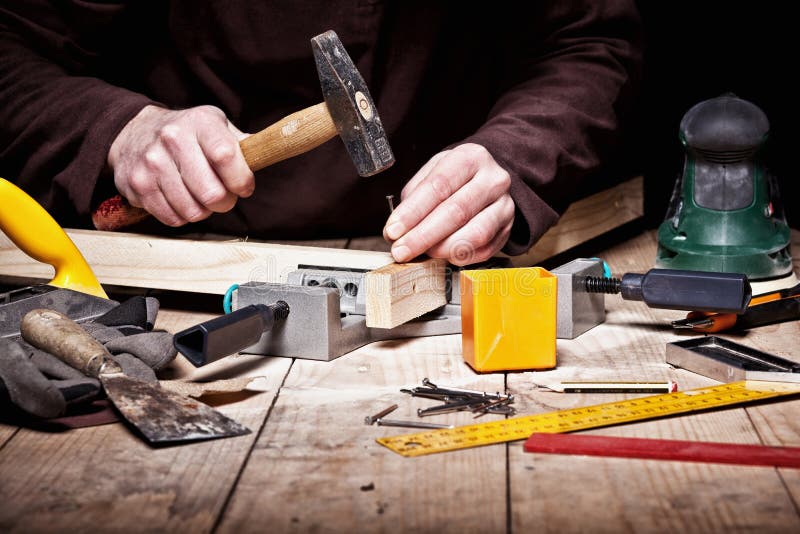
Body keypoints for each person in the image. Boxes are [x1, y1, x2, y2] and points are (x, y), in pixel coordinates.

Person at [0, 1, 642, 266]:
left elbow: (588, 39)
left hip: (442, 251)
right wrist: (118, 127)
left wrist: (516, 157)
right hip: (180, 261)